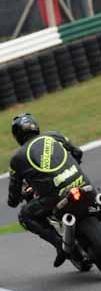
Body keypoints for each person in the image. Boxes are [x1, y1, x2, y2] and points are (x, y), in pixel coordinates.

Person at [7, 114, 88, 268]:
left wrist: (17, 198)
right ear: (35, 127)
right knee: (92, 192)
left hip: (54, 197)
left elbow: (13, 198)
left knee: (25, 216)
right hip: (80, 182)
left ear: (17, 135)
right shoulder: (55, 136)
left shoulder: (17, 159)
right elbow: (78, 153)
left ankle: (59, 245)